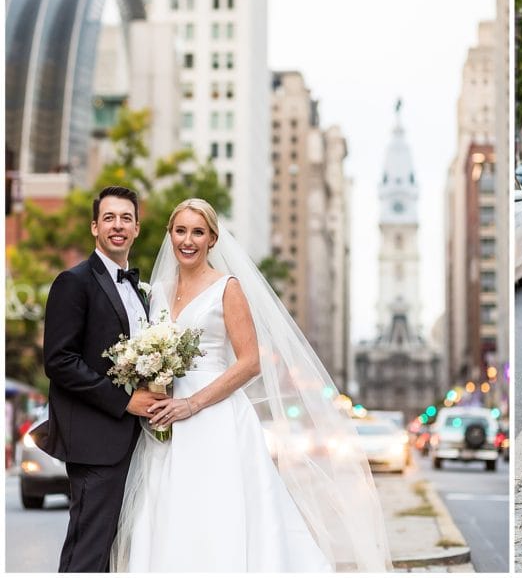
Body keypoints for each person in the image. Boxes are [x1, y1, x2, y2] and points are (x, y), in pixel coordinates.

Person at [110, 199, 391, 572]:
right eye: (181, 231)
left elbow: (250, 362)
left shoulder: (227, 288)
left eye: (198, 232)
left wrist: (192, 404)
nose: (188, 240)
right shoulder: (157, 292)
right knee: (168, 510)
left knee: (217, 511)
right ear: (169, 235)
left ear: (212, 239)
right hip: (166, 423)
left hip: (215, 418)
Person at [40, 185, 170, 572]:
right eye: (109, 218)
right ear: (95, 227)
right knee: (89, 549)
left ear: (137, 229)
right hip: (94, 441)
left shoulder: (140, 291)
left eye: (126, 218)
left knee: (117, 549)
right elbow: (59, 361)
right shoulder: (74, 281)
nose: (118, 225)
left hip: (135, 440)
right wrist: (125, 401)